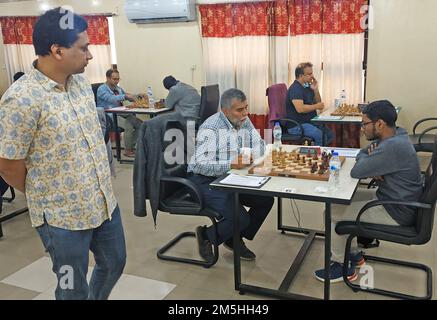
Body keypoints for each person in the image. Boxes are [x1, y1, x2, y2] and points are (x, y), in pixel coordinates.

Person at [0, 8, 126, 299]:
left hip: (103, 202)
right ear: (57, 50)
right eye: (83, 47)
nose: (90, 54)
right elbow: (8, 165)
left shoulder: (81, 84)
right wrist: (43, 193)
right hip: (62, 217)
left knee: (115, 262)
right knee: (72, 286)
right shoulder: (21, 99)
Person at [314, 100, 422, 283]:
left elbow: (357, 171)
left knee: (332, 211)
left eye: (364, 124)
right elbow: (362, 153)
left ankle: (341, 266)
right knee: (340, 200)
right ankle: (355, 255)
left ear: (379, 123)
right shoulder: (399, 133)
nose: (362, 128)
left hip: (396, 209)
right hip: (394, 199)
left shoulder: (391, 147)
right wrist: (369, 157)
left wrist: (369, 158)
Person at [188, 88, 274, 262]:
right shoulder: (211, 128)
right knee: (239, 218)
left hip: (231, 176)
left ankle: (233, 238)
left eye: (246, 108)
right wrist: (231, 163)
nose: (245, 113)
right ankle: (206, 235)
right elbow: (198, 165)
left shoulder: (243, 120)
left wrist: (252, 153)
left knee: (265, 200)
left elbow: (259, 143)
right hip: (205, 181)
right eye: (239, 110)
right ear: (225, 111)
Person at [286, 62, 334, 146]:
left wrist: (315, 90)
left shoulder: (307, 86)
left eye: (312, 73)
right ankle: (315, 157)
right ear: (301, 76)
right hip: (297, 125)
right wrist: (316, 106)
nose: (312, 76)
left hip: (309, 121)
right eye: (309, 74)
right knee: (320, 136)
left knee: (330, 135)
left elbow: (319, 103)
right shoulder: (295, 89)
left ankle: (318, 153)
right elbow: (300, 109)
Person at [97, 69, 142, 158]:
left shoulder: (118, 88)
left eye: (118, 79)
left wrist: (137, 96)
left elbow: (127, 96)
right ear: (108, 78)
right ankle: (128, 150)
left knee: (141, 125)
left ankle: (131, 146)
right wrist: (125, 96)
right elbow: (111, 98)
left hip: (121, 112)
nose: (117, 81)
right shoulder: (101, 89)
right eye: (114, 79)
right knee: (128, 124)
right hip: (109, 115)